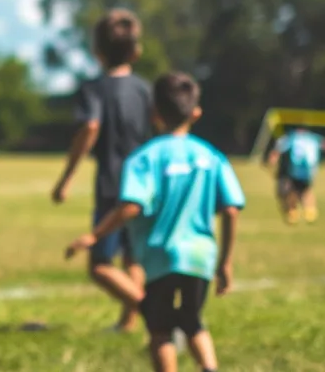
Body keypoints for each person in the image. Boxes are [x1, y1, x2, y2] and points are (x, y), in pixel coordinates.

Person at [66, 71, 245, 372]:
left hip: (160, 256)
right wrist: (225, 263)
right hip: (201, 257)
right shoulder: (211, 156)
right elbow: (230, 210)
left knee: (160, 331)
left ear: (154, 113)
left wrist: (96, 236)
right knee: (192, 322)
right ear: (196, 113)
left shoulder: (144, 158)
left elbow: (131, 207)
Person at [51, 8, 151, 331]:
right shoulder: (145, 90)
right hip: (146, 186)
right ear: (136, 51)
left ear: (96, 52)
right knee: (133, 258)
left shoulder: (93, 89)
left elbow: (90, 127)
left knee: (99, 265)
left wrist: (66, 178)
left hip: (113, 185)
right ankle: (128, 323)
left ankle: (156, 314)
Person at [265, 127, 325, 224]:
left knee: (292, 191)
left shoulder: (292, 137)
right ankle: (309, 212)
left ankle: (294, 212)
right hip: (309, 170)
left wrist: (273, 159)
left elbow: (279, 149)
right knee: (304, 190)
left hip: (294, 170)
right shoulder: (312, 138)